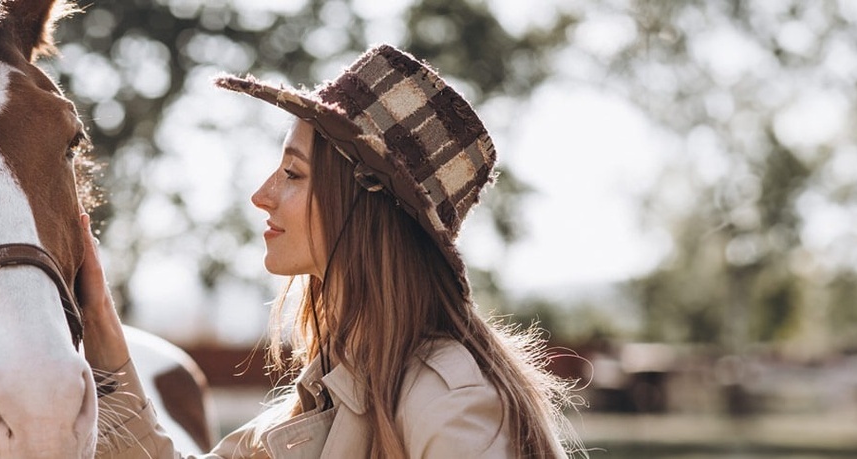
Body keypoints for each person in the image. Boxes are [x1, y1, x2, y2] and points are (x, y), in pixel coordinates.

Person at [78, 45, 578, 458]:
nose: (261, 195)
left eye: (292, 174)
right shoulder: (331, 391)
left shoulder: (452, 404)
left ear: (363, 205)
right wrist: (98, 320)